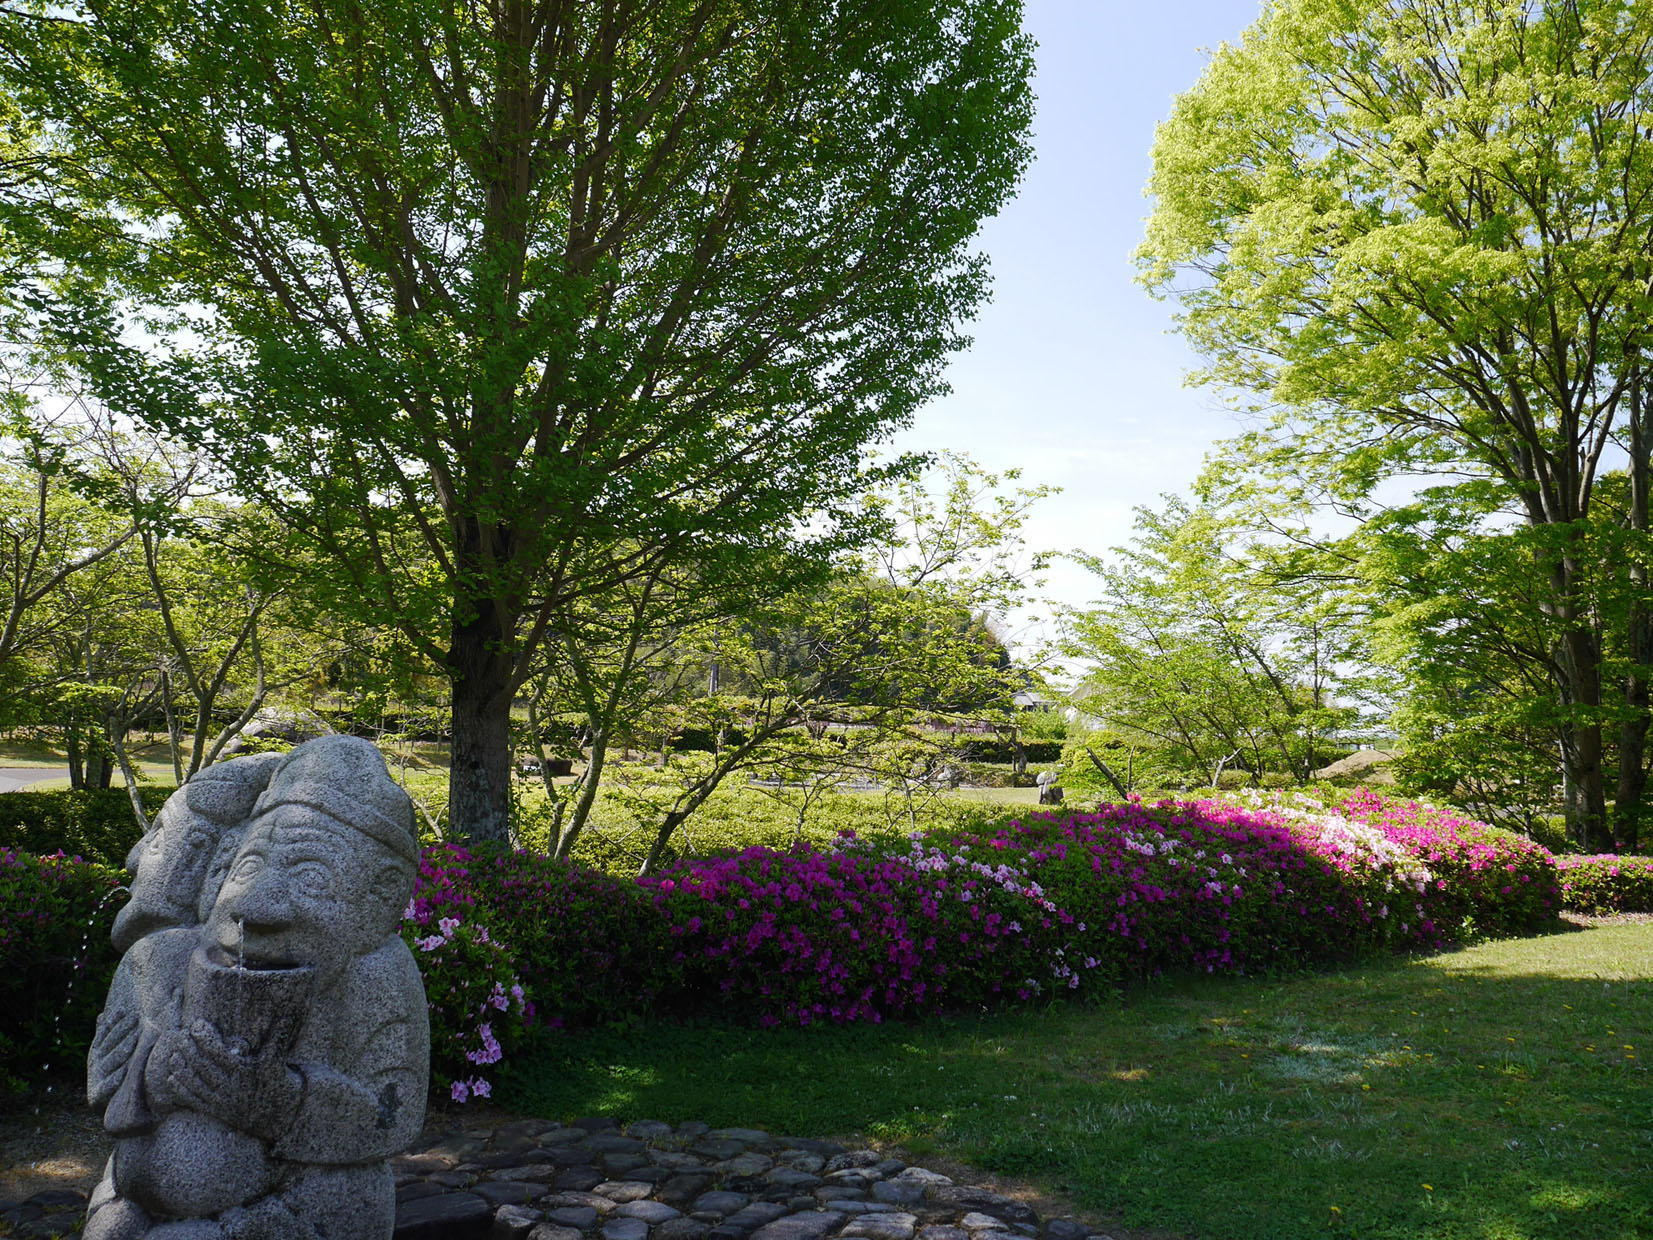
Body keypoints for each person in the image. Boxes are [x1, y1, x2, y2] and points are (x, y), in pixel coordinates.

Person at [84, 737, 429, 1240]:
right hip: (131, 1195)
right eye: (249, 867)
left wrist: (282, 1102)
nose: (258, 908)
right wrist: (151, 1073)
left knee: (348, 1194)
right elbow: (102, 1085)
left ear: (377, 899)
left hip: (289, 1204)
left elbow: (393, 1116)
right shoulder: (159, 959)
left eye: (311, 877)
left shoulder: (377, 974)